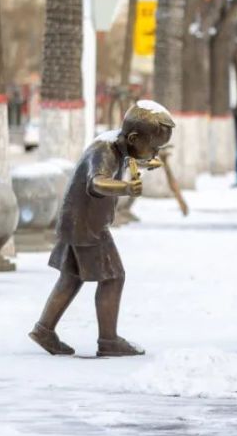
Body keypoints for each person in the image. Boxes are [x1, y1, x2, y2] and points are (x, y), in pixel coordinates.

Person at [29, 102, 175, 358]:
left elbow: (126, 159)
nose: (154, 152)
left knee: (71, 277)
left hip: (78, 220)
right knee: (113, 277)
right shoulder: (105, 150)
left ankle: (44, 330)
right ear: (133, 137)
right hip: (87, 225)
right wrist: (126, 188)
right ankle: (108, 340)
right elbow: (97, 182)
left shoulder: (118, 145)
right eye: (153, 146)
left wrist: (142, 163)